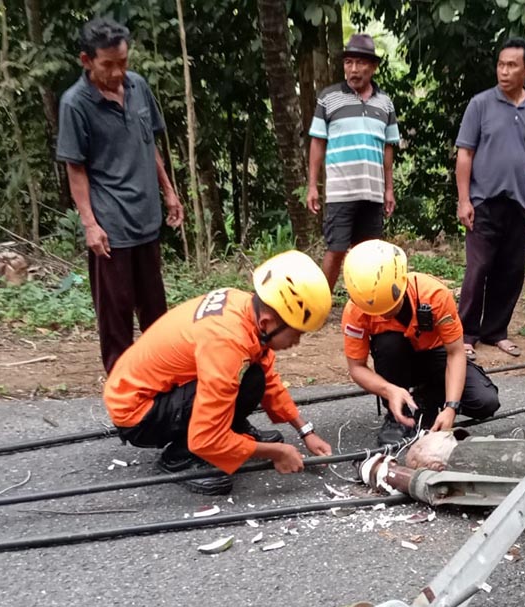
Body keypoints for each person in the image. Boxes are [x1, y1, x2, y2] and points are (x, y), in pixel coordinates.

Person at [104, 251, 334, 495]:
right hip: (138, 413)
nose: (296, 342)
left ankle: (232, 433)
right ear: (267, 322)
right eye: (296, 333)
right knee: (237, 382)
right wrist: (277, 453)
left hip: (160, 390)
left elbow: (267, 377)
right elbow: (205, 437)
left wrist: (305, 431)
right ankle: (179, 457)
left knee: (255, 376)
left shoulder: (244, 306)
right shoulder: (226, 343)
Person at [57, 18, 184, 374]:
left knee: (156, 314)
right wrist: (90, 225)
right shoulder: (75, 104)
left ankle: (167, 384)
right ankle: (123, 395)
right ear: (86, 60)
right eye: (108, 64)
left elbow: (149, 144)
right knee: (115, 319)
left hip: (147, 219)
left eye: (123, 62)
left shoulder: (139, 87)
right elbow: (76, 169)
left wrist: (169, 191)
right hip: (111, 228)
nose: (117, 72)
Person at [341, 240, 500, 447]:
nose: (384, 314)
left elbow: (455, 352)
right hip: (395, 363)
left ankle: (429, 398)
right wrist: (388, 390)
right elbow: (357, 367)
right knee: (390, 343)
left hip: (436, 356)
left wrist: (451, 407)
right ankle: (398, 416)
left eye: (390, 307)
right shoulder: (355, 311)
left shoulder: (434, 295)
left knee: (485, 402)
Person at [454, 37, 525, 361]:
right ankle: (465, 334)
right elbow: (465, 153)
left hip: (519, 203)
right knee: (478, 268)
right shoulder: (480, 104)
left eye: (512, 65)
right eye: (501, 64)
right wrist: (464, 200)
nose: (504, 71)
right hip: (483, 201)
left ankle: (496, 331)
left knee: (511, 271)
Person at [306, 33, 401, 290]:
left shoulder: (385, 103)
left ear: (373, 67)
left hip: (372, 193)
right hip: (340, 191)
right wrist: (312, 185)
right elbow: (317, 142)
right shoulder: (329, 98)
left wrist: (389, 189)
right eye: (349, 63)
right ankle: (320, 303)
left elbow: (388, 147)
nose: (353, 70)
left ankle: (365, 305)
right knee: (335, 250)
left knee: (369, 255)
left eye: (360, 63)